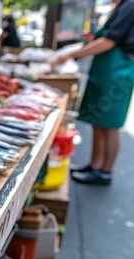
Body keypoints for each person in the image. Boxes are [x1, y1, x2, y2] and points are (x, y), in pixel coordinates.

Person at [52, 0, 134, 185]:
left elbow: (108, 41)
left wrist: (71, 54)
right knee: (98, 122)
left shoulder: (130, 5)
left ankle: (105, 172)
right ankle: (95, 165)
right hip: (107, 70)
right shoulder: (121, 6)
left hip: (117, 73)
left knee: (110, 125)